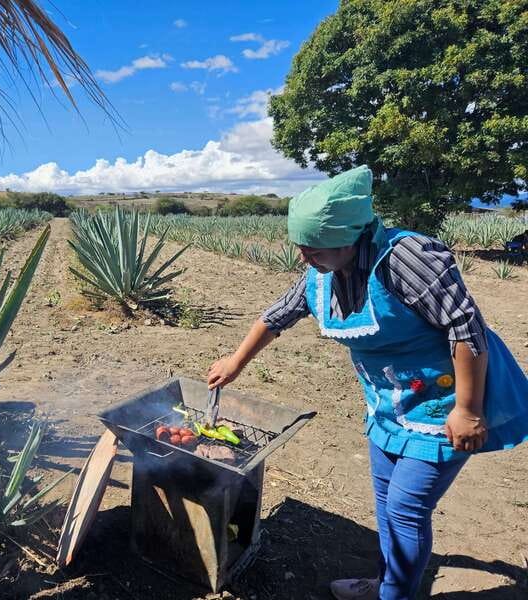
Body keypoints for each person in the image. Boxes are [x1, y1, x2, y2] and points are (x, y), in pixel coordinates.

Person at [206, 166, 528, 600]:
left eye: (314, 248)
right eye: (300, 247)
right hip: (388, 401)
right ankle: (385, 582)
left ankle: (395, 595)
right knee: (384, 502)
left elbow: (466, 328)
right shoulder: (321, 269)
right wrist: (236, 361)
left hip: (445, 402)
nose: (304, 257)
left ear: (351, 235)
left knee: (407, 509)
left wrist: (468, 409)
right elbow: (277, 314)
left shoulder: (406, 258)